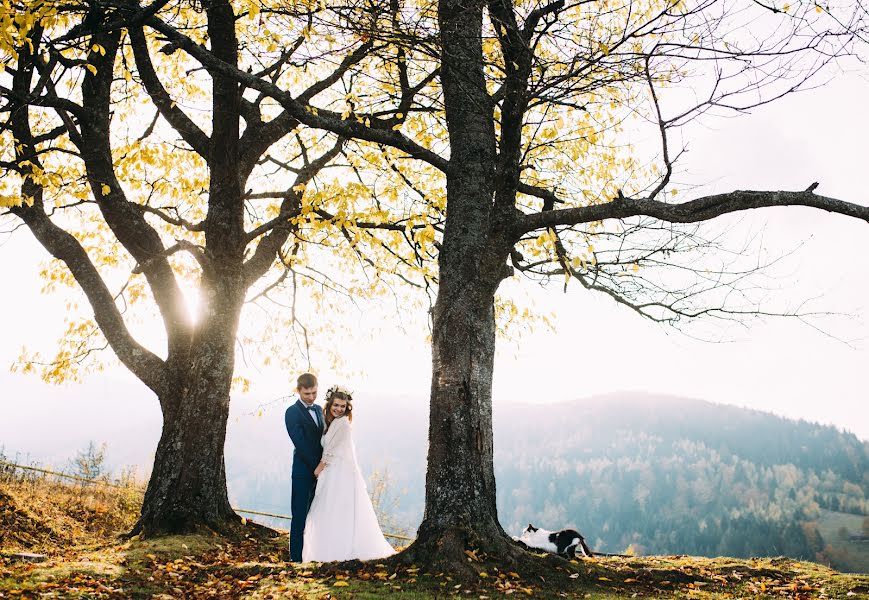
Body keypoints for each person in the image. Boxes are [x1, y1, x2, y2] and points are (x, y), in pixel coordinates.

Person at [302, 386, 396, 562]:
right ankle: (326, 550)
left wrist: (318, 469)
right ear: (330, 404)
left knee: (336, 509)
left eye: (342, 407)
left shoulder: (343, 423)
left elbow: (331, 450)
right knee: (329, 509)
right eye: (336, 405)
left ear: (347, 408)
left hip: (339, 472)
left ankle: (337, 551)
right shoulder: (331, 423)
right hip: (333, 471)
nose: (339, 409)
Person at [284, 372, 325, 562]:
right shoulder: (292, 412)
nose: (311, 397)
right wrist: (316, 466)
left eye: (314, 393)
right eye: (307, 393)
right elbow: (300, 443)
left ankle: (313, 555)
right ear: (298, 390)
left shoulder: (319, 410)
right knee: (299, 516)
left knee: (317, 515)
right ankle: (296, 559)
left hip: (322, 472)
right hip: (302, 472)